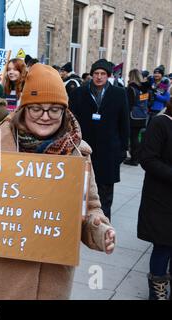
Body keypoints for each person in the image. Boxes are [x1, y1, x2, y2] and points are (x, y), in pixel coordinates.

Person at [0, 64, 116, 300]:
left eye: (54, 110)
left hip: (51, 279)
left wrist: (101, 231)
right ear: (24, 108)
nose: (45, 116)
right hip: (0, 277)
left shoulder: (76, 153)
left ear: (64, 112)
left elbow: (90, 208)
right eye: (37, 108)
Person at [69, 59, 130, 220]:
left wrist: (124, 147)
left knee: (105, 189)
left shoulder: (118, 93)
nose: (99, 77)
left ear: (108, 76)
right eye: (96, 73)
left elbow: (124, 122)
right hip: (84, 147)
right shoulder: (79, 93)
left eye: (103, 74)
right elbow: (70, 119)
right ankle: (79, 219)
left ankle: (102, 220)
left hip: (109, 148)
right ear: (92, 75)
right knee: (81, 185)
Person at [137, 98, 172, 300]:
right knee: (163, 245)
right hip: (162, 198)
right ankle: (157, 292)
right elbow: (148, 159)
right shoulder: (161, 123)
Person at [124, 69, 149, 166]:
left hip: (133, 116)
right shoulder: (144, 88)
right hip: (142, 115)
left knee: (133, 138)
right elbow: (147, 101)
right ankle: (136, 157)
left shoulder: (132, 88)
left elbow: (129, 104)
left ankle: (134, 158)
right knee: (136, 137)